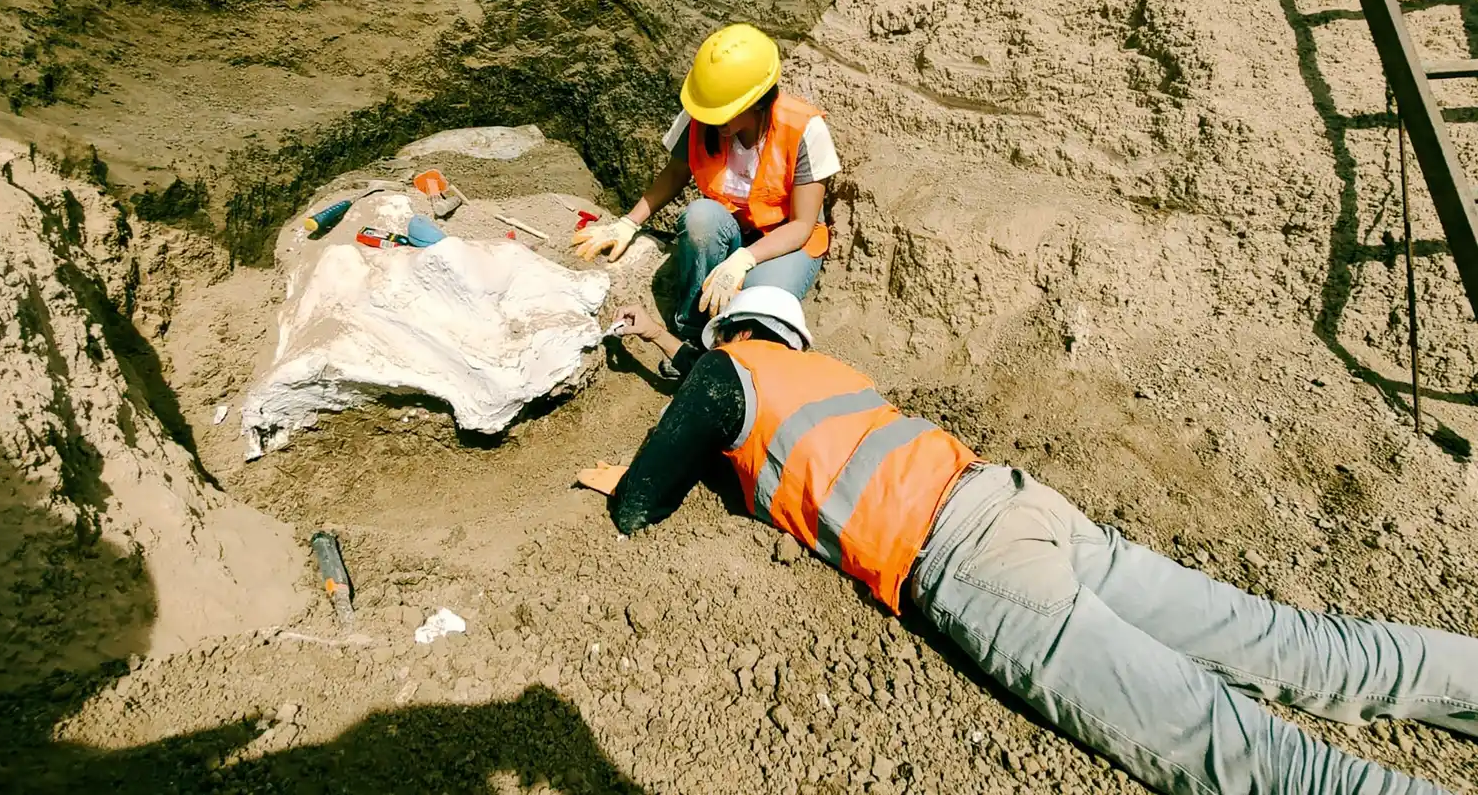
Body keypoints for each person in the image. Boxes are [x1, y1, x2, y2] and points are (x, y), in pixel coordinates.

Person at [578, 289, 1478, 795]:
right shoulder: (828, 372)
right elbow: (708, 385)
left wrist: (629, 479)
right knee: (1293, 645)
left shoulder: (729, 371)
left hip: (968, 562)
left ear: (734, 335)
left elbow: (641, 499)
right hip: (1017, 505)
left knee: (1239, 747)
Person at [570, 23, 839, 372]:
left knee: (755, 299)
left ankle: (728, 361)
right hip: (732, 228)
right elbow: (675, 172)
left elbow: (803, 225)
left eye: (724, 113)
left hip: (786, 240)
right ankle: (690, 337)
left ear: (757, 103)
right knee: (699, 218)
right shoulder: (702, 114)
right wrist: (627, 223)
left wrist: (744, 260)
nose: (714, 122)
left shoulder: (803, 128)